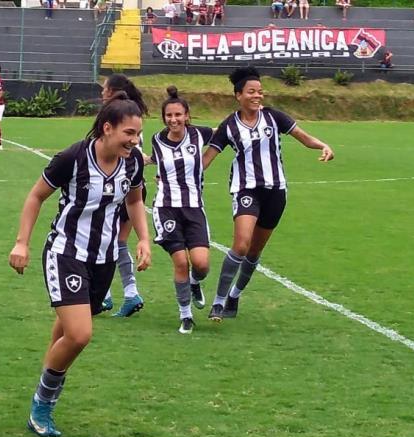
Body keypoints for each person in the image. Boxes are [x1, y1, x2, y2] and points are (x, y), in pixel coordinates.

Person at [9, 93, 151, 437]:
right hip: (66, 253)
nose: (134, 141)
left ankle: (42, 397)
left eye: (138, 134)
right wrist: (21, 242)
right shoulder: (72, 158)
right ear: (107, 128)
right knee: (79, 334)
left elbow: (134, 201)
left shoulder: (132, 163)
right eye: (128, 133)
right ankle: (42, 404)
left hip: (103, 260)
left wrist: (144, 239)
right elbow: (35, 196)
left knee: (64, 333)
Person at [202, 66, 333, 323]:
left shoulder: (274, 117)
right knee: (241, 244)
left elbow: (304, 138)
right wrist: (178, 174)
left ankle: (234, 297)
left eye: (260, 92)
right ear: (238, 95)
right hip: (247, 189)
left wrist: (323, 145)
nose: (257, 96)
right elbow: (207, 159)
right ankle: (218, 301)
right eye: (251, 92)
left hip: (276, 192)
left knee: (254, 252)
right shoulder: (229, 125)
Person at [150, 87, 212, 334]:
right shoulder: (156, 139)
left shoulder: (199, 135)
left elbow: (226, 133)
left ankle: (196, 283)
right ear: (164, 118)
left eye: (178, 115)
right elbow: (153, 159)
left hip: (194, 207)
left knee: (201, 264)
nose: (174, 120)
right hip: (166, 208)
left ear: (187, 115)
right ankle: (185, 315)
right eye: (169, 115)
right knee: (180, 262)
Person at [98, 74, 151, 318]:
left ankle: (118, 294)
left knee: (111, 241)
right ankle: (117, 294)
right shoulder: (130, 110)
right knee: (112, 241)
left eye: (105, 88)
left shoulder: (118, 114)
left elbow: (129, 149)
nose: (101, 92)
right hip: (129, 182)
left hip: (123, 184)